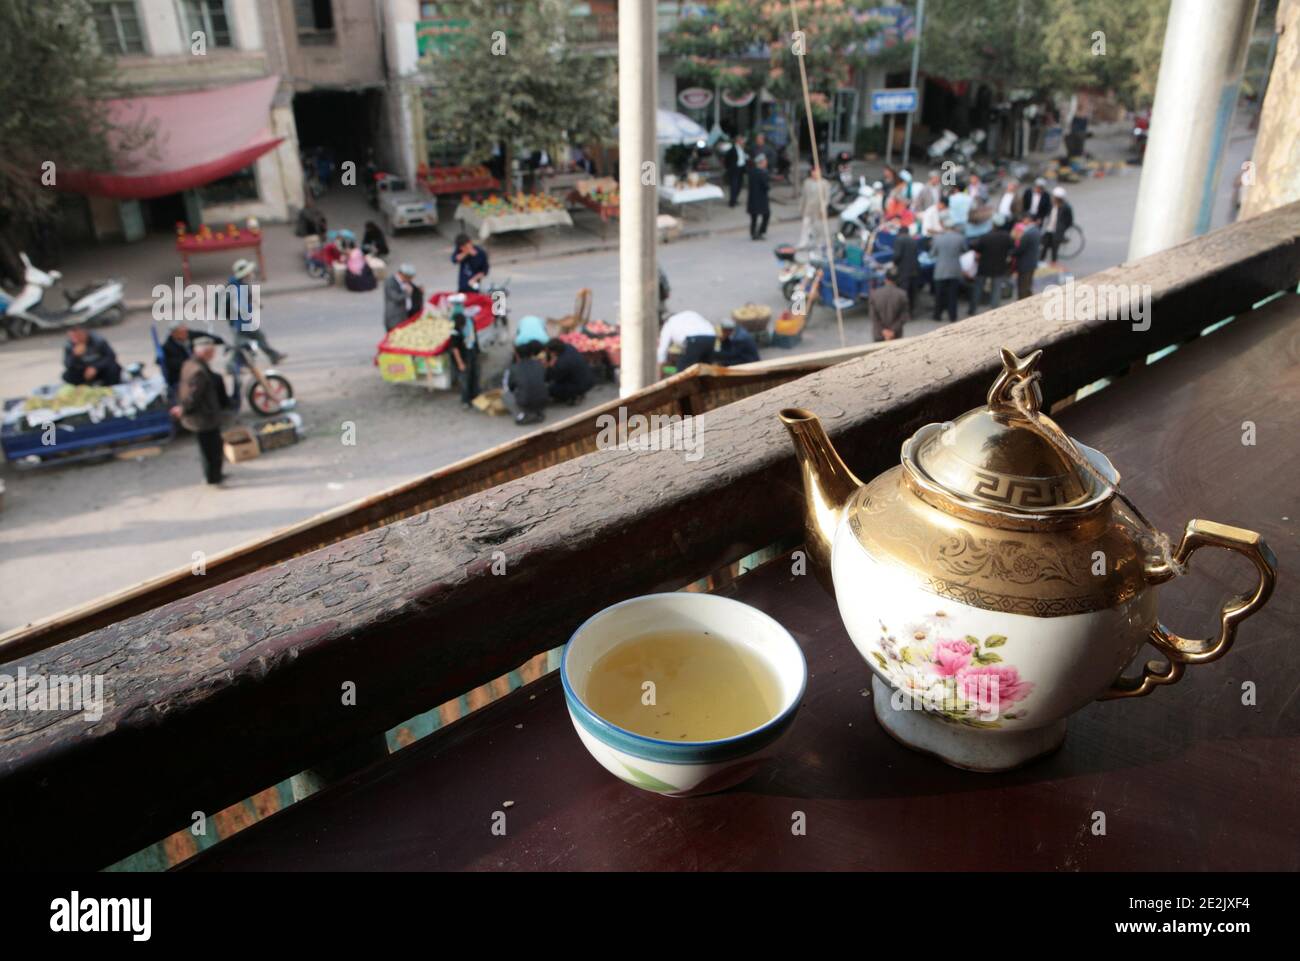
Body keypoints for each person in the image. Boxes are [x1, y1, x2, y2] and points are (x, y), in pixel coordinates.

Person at [170, 336, 229, 486]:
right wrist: (183, 409)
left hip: (201, 417)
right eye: (212, 352)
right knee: (212, 451)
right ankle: (213, 478)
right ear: (205, 352)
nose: (214, 355)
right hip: (204, 418)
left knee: (208, 449)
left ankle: (213, 476)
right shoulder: (198, 371)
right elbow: (193, 396)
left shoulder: (189, 364)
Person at [226, 259, 286, 363]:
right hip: (240, 322)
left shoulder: (239, 284)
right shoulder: (238, 287)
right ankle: (232, 365)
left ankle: (274, 356)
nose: (251, 273)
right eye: (249, 272)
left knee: (256, 338)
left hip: (241, 321)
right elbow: (240, 307)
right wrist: (251, 307)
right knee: (243, 343)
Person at [968, 215, 1014, 317]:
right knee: (996, 290)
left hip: (984, 266)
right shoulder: (1007, 237)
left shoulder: (985, 237)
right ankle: (994, 311)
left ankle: (972, 309)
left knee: (978, 288)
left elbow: (975, 247)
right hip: (999, 267)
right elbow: (1012, 248)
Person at [504, 341, 549, 425]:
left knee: (506, 395)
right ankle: (538, 412)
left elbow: (510, 387)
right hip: (544, 401)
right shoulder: (539, 364)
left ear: (517, 355)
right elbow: (545, 379)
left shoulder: (513, 368)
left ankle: (521, 416)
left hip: (525, 402)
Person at [447, 296, 480, 408]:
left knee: (474, 375)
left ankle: (475, 396)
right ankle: (466, 400)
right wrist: (460, 363)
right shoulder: (455, 329)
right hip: (462, 355)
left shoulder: (468, 322)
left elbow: (474, 338)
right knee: (465, 379)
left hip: (470, 352)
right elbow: (454, 347)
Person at [930, 226, 966, 323]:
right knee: (953, 295)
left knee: (939, 294)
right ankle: (952, 316)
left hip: (940, 270)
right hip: (954, 269)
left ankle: (937, 315)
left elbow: (932, 254)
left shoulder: (937, 238)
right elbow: (965, 250)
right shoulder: (960, 237)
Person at [543, 337, 595, 403]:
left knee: (551, 388)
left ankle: (574, 396)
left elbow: (553, 377)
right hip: (588, 379)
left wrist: (549, 366)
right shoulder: (569, 347)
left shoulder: (563, 363)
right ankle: (577, 393)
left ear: (554, 351)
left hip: (580, 385)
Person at [868, 266, 910, 342]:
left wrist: (883, 330)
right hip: (895, 335)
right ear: (897, 280)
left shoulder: (875, 294)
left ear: (885, 279)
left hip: (879, 334)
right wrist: (892, 331)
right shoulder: (902, 294)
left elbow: (873, 316)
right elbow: (904, 316)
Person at [797, 166, 832, 251]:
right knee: (805, 225)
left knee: (818, 228)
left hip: (819, 209)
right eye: (814, 172)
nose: (815, 174)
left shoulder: (825, 183)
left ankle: (819, 243)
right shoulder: (807, 182)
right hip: (808, 208)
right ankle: (803, 243)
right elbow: (804, 196)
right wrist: (801, 207)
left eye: (817, 172)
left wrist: (823, 207)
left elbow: (827, 198)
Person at [1041, 186, 1074, 266]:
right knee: (1044, 247)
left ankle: (1053, 264)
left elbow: (1069, 221)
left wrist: (1062, 228)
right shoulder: (1052, 205)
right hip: (1049, 230)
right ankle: (1040, 263)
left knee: (1054, 250)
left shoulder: (1066, 207)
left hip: (1057, 232)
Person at [383, 264, 421, 331]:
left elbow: (413, 290)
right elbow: (396, 297)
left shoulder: (406, 282)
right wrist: (407, 293)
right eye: (409, 278)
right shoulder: (390, 282)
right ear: (402, 275)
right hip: (395, 318)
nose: (410, 280)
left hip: (406, 316)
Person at [891, 228, 920, 313]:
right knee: (912, 292)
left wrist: (894, 263)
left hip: (904, 270)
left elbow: (897, 255)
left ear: (899, 233)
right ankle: (911, 311)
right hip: (914, 270)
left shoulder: (899, 240)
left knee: (904, 291)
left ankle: (904, 312)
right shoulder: (913, 240)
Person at [1014, 214, 1042, 300]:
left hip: (1025, 264)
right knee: (1028, 285)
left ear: (1028, 219)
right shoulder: (1036, 230)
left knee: (1023, 287)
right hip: (1032, 263)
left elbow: (1020, 250)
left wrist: (1011, 253)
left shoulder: (1028, 234)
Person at [747, 154, 771, 240]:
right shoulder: (762, 173)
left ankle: (753, 233)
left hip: (752, 198)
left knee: (754, 217)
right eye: (765, 161)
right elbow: (766, 186)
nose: (766, 163)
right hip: (761, 199)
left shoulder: (752, 172)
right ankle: (761, 232)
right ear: (761, 163)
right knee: (766, 215)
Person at [723, 134, 747, 207]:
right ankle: (732, 202)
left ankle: (735, 199)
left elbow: (743, 158)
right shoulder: (732, 149)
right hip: (734, 169)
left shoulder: (742, 148)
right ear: (738, 141)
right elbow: (726, 159)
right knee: (734, 185)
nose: (743, 141)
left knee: (739, 185)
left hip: (741, 169)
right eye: (741, 140)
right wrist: (729, 168)